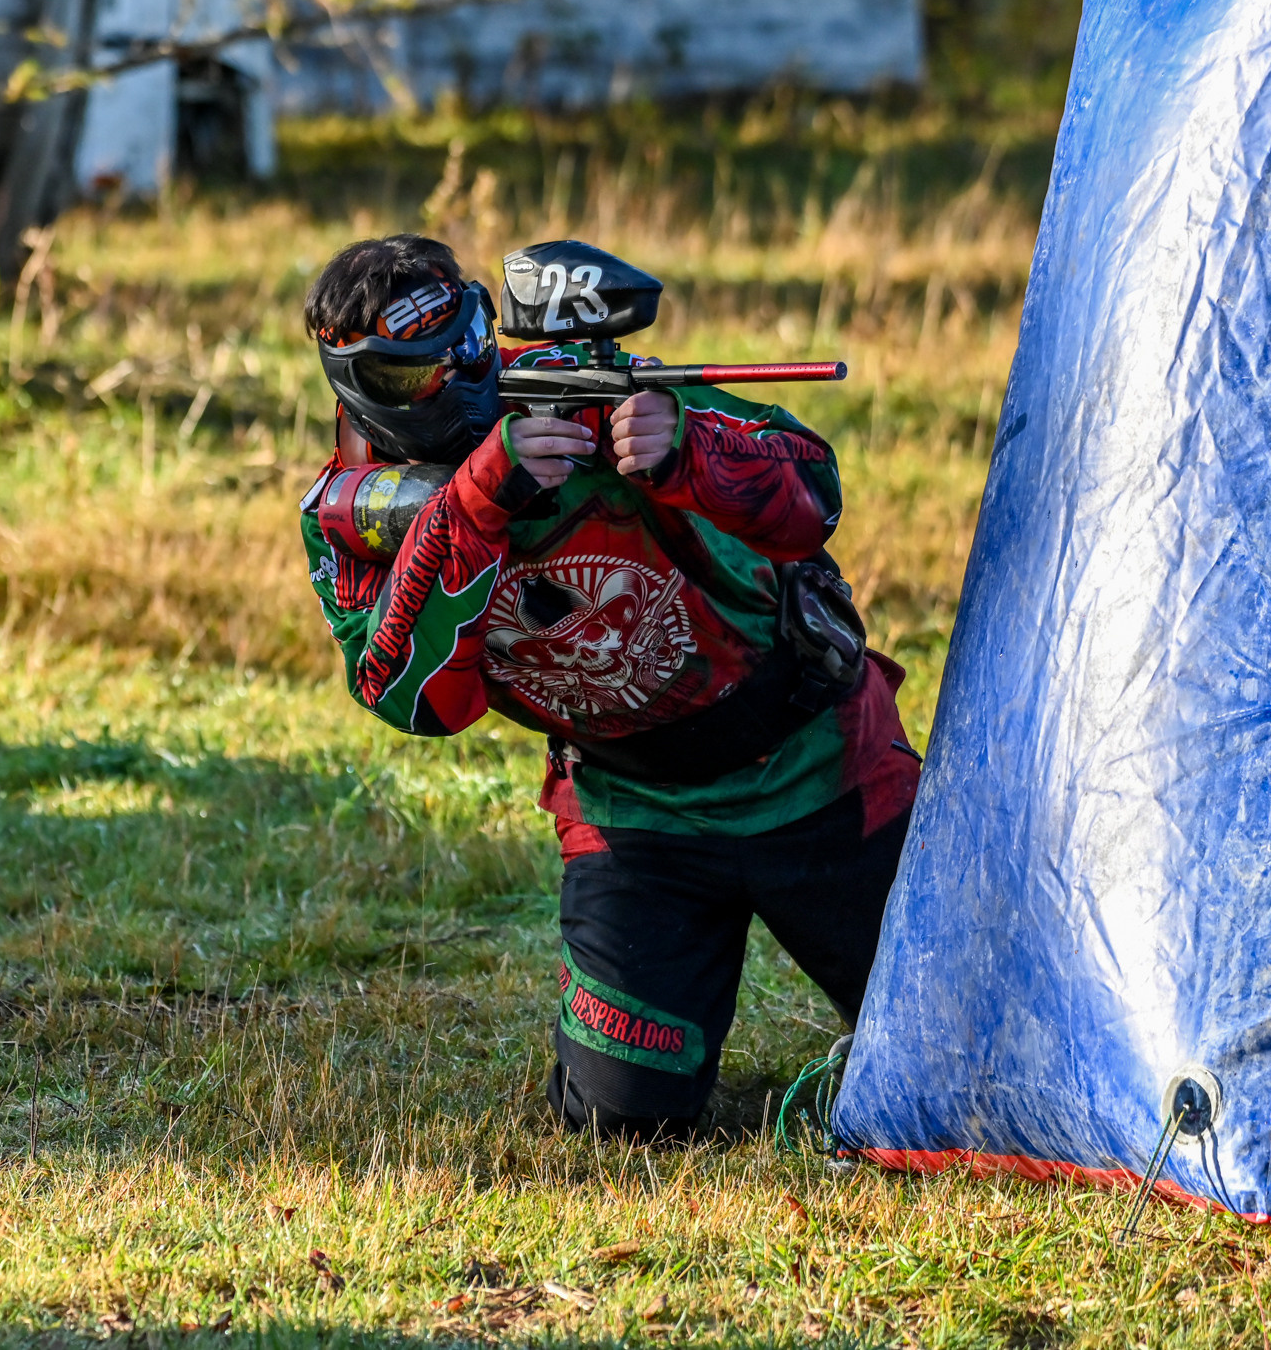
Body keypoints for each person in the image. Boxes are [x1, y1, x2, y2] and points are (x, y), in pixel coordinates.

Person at [298, 233, 921, 1138]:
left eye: (470, 348)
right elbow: (419, 701)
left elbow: (812, 492)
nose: (457, 383)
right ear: (354, 386)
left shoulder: (582, 392)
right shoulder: (351, 516)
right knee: (621, 1120)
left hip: (813, 768)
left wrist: (684, 448)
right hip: (635, 815)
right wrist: (474, 508)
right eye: (412, 380)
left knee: (973, 1056)